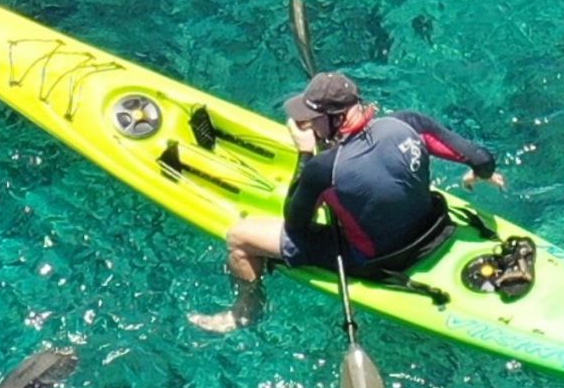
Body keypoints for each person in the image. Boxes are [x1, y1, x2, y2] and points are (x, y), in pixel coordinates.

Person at [189, 71, 503, 334]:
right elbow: (482, 159)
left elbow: (296, 224)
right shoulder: (410, 123)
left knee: (240, 237)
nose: (308, 125)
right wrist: (477, 176)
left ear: (336, 118)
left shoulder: (324, 168)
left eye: (313, 119)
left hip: (377, 260)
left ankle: (246, 310)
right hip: (436, 229)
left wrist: (305, 153)